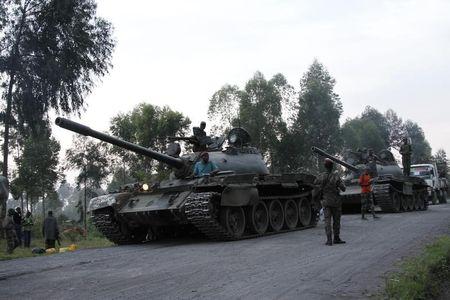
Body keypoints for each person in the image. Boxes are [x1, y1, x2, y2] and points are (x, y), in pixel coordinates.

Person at [314, 158, 346, 246]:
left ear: (325, 166)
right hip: (336, 202)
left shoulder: (321, 176)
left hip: (326, 201)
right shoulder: (336, 176)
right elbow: (343, 189)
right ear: (332, 167)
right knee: (336, 220)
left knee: (327, 221)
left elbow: (315, 183)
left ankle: (329, 240)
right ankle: (336, 238)